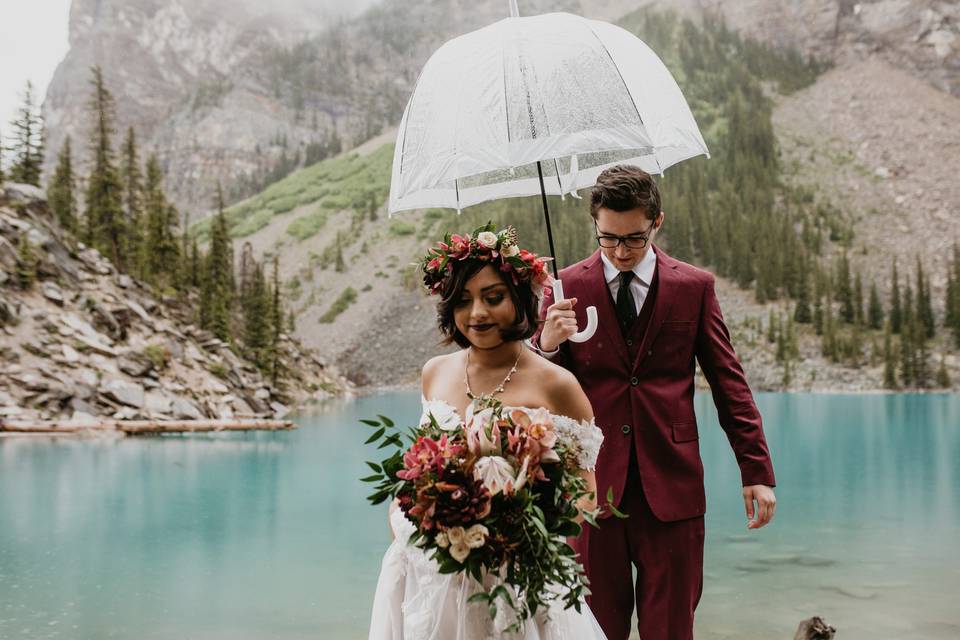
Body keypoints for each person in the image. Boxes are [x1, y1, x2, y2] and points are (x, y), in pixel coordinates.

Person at [532, 165, 777, 640]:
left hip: (674, 489)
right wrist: (547, 344)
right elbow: (539, 388)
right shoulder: (562, 290)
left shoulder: (694, 287)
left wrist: (757, 472)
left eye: (634, 239)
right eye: (608, 239)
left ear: (657, 223)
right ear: (595, 225)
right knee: (594, 630)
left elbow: (730, 385)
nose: (620, 252)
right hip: (591, 490)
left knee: (670, 631)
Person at [368, 226, 607, 640]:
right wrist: (408, 516)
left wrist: (516, 524)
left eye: (493, 298)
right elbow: (420, 466)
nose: (476, 313)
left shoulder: (557, 384)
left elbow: (585, 494)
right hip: (427, 572)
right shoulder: (434, 372)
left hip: (516, 581)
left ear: (519, 300)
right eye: (463, 300)